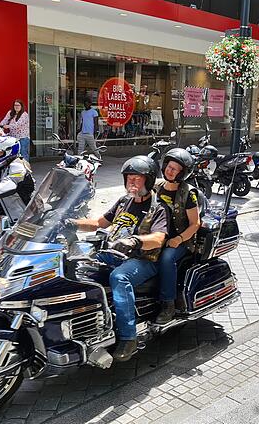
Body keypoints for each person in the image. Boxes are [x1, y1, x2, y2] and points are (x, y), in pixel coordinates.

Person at [68, 156, 169, 361]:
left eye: (137, 178)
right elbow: (99, 222)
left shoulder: (157, 207)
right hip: (114, 254)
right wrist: (70, 222)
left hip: (143, 260)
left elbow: (159, 238)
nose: (132, 182)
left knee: (119, 278)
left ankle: (128, 338)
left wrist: (136, 241)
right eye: (129, 178)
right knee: (77, 266)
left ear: (148, 181)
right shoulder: (124, 202)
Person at [154, 148, 201, 325]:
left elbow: (195, 224)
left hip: (181, 240)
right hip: (158, 235)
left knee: (166, 258)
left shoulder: (188, 193)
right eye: (169, 166)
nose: (170, 171)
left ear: (182, 173)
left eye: (175, 169)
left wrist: (178, 239)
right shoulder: (156, 186)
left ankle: (168, 304)